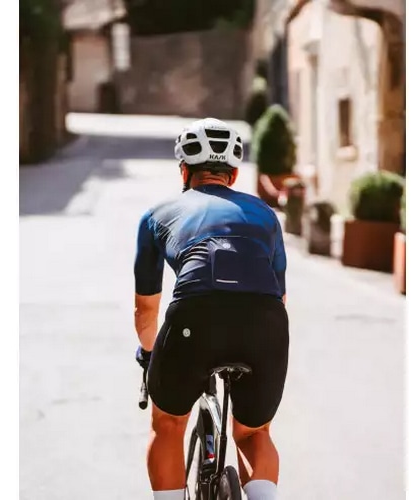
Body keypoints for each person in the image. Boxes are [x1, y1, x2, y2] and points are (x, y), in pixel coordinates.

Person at [134, 118, 289, 500]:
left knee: (168, 423)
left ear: (184, 170)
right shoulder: (266, 215)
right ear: (233, 175)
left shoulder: (157, 214)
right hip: (266, 322)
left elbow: (146, 310)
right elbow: (279, 297)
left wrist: (151, 354)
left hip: (194, 320)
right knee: (254, 432)